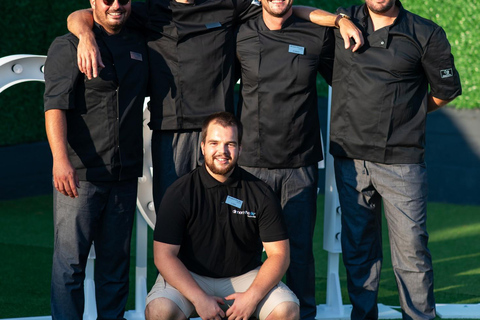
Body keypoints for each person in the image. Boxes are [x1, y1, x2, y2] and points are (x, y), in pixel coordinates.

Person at [66, 0, 363, 212]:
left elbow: (284, 7)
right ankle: (175, 296)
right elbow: (82, 14)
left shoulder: (227, 5)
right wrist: (85, 35)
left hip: (218, 135)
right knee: (172, 214)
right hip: (172, 132)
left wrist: (339, 20)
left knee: (221, 214)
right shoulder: (150, 9)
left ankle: (219, 295)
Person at [328, 1, 462, 319]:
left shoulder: (425, 32)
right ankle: (363, 315)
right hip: (350, 158)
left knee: (412, 250)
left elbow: (446, 89)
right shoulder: (344, 18)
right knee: (359, 248)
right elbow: (302, 11)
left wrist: (409, 110)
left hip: (402, 161)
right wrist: (339, 21)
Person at [43, 0, 148, 318]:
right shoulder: (69, 44)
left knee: (115, 267)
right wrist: (60, 160)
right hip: (80, 176)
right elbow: (54, 106)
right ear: (92, 3)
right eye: (107, 0)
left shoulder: (139, 40)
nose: (116, 5)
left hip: (124, 176)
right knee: (70, 266)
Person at [144, 112, 299, 320]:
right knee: (159, 311)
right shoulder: (179, 192)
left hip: (246, 276)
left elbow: (280, 254)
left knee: (286, 311)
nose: (222, 151)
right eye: (214, 143)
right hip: (191, 277)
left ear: (240, 149)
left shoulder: (260, 193)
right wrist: (199, 298)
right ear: (203, 147)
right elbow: (164, 255)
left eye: (230, 144)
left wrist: (252, 297)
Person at [235, 0, 335, 318]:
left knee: (299, 248)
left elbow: (347, 82)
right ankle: (244, 310)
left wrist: (340, 21)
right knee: (245, 246)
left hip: (300, 163)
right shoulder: (240, 32)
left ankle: (303, 312)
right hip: (251, 162)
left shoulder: (316, 35)